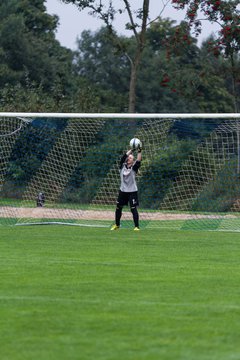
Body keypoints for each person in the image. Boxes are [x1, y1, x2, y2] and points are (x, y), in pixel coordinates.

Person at [111, 145, 142, 231]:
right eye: (128, 157)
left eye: (131, 158)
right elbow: (123, 157)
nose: (129, 158)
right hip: (123, 191)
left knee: (133, 208)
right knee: (118, 207)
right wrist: (132, 150)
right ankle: (117, 225)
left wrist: (139, 151)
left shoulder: (134, 168)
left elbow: (139, 160)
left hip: (132, 191)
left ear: (133, 161)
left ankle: (136, 227)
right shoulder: (122, 166)